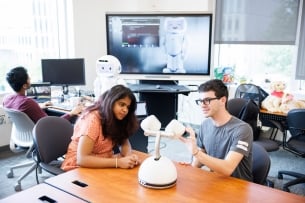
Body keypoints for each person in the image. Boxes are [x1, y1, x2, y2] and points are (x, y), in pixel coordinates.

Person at [180, 79, 253, 181]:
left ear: (222, 100)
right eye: (200, 101)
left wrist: (196, 152)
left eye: (207, 100)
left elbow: (228, 169)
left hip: (237, 186)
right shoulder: (205, 125)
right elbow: (200, 159)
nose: (202, 105)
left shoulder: (243, 129)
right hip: (215, 181)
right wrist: (191, 167)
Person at [61, 84, 140, 171]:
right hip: (78, 167)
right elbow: (82, 159)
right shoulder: (92, 119)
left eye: (128, 107)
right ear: (111, 102)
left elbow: (124, 142)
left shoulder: (116, 117)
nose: (125, 110)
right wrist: (118, 162)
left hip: (104, 163)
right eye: (121, 104)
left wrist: (129, 156)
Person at [3, 66, 83, 123]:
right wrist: (71, 113)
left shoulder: (6, 99)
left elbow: (23, 109)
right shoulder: (28, 102)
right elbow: (50, 124)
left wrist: (38, 106)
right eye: (28, 78)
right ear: (24, 85)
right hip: (42, 134)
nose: (30, 79)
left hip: (26, 135)